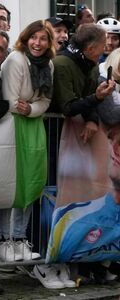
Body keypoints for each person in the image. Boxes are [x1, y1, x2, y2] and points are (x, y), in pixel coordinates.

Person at [46, 23, 116, 289]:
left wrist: (91, 118)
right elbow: (68, 105)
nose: (102, 53)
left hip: (79, 141)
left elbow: (88, 99)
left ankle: (83, 259)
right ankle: (51, 260)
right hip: (55, 139)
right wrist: (95, 102)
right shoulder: (64, 64)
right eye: (100, 49)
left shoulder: (86, 62)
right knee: (56, 196)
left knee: (83, 197)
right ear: (90, 48)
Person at [0, 21, 56, 268]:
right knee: (11, 184)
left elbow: (46, 101)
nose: (38, 43)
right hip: (11, 124)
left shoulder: (48, 64)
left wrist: (30, 107)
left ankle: (20, 238)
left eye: (43, 39)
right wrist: (32, 106)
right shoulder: (16, 60)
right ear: (26, 38)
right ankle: (3, 238)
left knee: (31, 181)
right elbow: (10, 101)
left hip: (32, 123)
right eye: (34, 38)